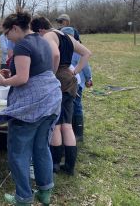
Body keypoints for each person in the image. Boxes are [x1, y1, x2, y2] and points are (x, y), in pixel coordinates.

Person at [0, 11, 62, 206]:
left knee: (18, 152)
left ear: (14, 28)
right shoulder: (43, 40)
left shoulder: (22, 44)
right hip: (51, 100)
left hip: (32, 107)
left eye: (6, 34)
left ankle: (23, 197)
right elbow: (38, 69)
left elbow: (23, 79)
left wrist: (5, 80)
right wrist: (11, 72)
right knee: (41, 148)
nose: (7, 38)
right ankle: (45, 192)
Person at [31, 16, 92, 176]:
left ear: (40, 30)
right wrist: (75, 71)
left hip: (58, 79)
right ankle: (70, 166)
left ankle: (56, 164)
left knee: (56, 125)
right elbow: (87, 53)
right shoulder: (67, 36)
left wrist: (50, 75)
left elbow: (56, 55)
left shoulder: (49, 36)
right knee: (67, 124)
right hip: (70, 80)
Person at [61, 27, 93, 142]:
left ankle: (79, 132)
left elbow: (86, 66)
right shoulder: (61, 47)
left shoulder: (76, 48)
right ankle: (70, 131)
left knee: (77, 106)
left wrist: (89, 79)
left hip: (77, 83)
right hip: (66, 83)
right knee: (69, 107)